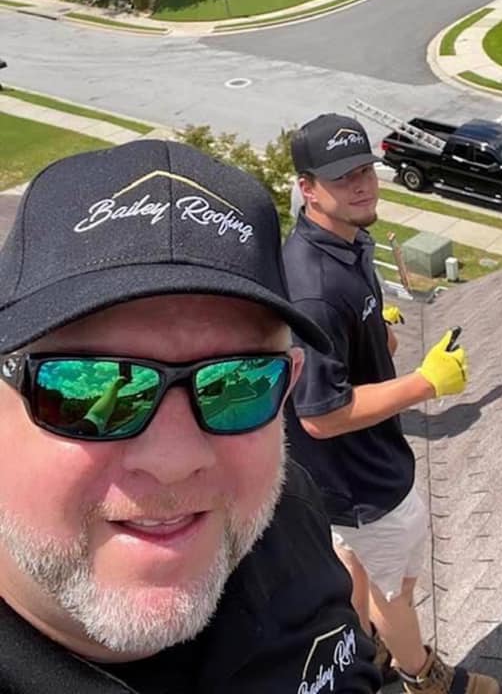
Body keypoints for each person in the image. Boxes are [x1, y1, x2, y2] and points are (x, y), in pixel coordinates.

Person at [0, 139, 380, 694]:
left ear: (287, 390)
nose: (174, 461)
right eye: (92, 387)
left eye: (240, 382)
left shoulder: (290, 514)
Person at [282, 113, 502, 694]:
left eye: (365, 170)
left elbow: (343, 349)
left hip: (348, 477)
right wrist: (428, 382)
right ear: (307, 188)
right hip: (359, 479)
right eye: (342, 177)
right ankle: (424, 678)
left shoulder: (349, 240)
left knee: (354, 568)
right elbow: (320, 414)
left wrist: (374, 327)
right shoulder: (313, 289)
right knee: (395, 591)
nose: (362, 186)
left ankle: (362, 655)